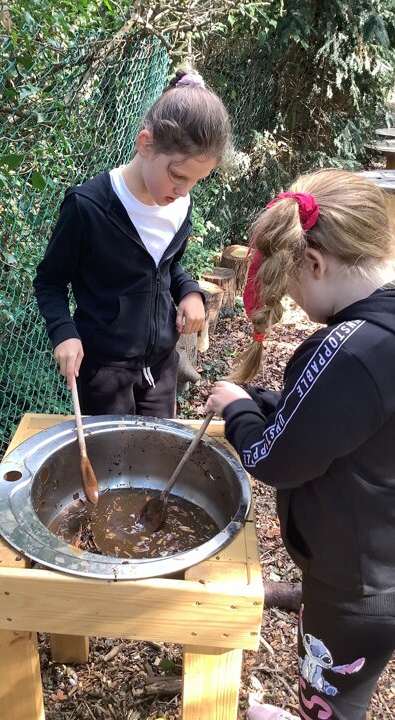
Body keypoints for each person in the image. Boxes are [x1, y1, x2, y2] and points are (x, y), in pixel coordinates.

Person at [204, 169, 395, 720]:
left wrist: (238, 409)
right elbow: (336, 420)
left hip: (354, 581)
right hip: (381, 561)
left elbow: (275, 458)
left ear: (315, 263)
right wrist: (261, 400)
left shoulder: (347, 350)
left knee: (330, 691)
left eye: (292, 288)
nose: (294, 302)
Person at [34, 69, 230, 417]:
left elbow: (166, 267)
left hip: (162, 368)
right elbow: (49, 281)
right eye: (177, 175)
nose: (183, 190)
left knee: (159, 450)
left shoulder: (180, 206)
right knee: (112, 454)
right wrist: (64, 332)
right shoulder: (88, 207)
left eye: (195, 181)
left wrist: (189, 292)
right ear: (145, 144)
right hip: (104, 375)